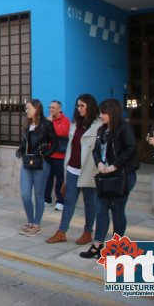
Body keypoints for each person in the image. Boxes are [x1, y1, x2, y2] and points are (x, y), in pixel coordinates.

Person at [81, 99, 139, 259]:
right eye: (100, 113)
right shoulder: (101, 130)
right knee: (101, 210)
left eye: (104, 113)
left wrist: (115, 165)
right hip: (104, 176)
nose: (101, 116)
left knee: (117, 211)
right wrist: (99, 163)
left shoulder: (124, 128)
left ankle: (117, 247)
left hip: (122, 176)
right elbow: (96, 150)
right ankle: (97, 245)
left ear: (112, 113)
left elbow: (131, 148)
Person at [46, 95, 102, 245]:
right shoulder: (76, 124)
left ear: (90, 106)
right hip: (72, 168)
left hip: (88, 170)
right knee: (69, 200)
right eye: (78, 106)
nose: (79, 108)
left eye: (82, 105)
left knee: (90, 202)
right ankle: (61, 232)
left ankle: (87, 232)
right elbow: (71, 146)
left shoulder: (98, 125)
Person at [16, 99, 57, 237]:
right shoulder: (27, 125)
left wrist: (45, 156)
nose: (26, 110)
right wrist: (20, 150)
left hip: (41, 164)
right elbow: (25, 143)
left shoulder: (47, 125)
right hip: (27, 163)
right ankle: (30, 222)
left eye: (29, 108)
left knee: (39, 195)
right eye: (26, 108)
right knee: (25, 195)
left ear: (37, 109)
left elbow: (55, 143)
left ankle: (37, 225)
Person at [45, 100, 70, 210]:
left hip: (59, 156)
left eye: (53, 107)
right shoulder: (48, 120)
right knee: (47, 178)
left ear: (59, 109)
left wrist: (49, 124)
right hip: (48, 154)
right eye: (50, 107)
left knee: (59, 179)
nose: (50, 109)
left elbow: (62, 132)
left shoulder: (65, 120)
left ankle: (60, 201)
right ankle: (47, 199)